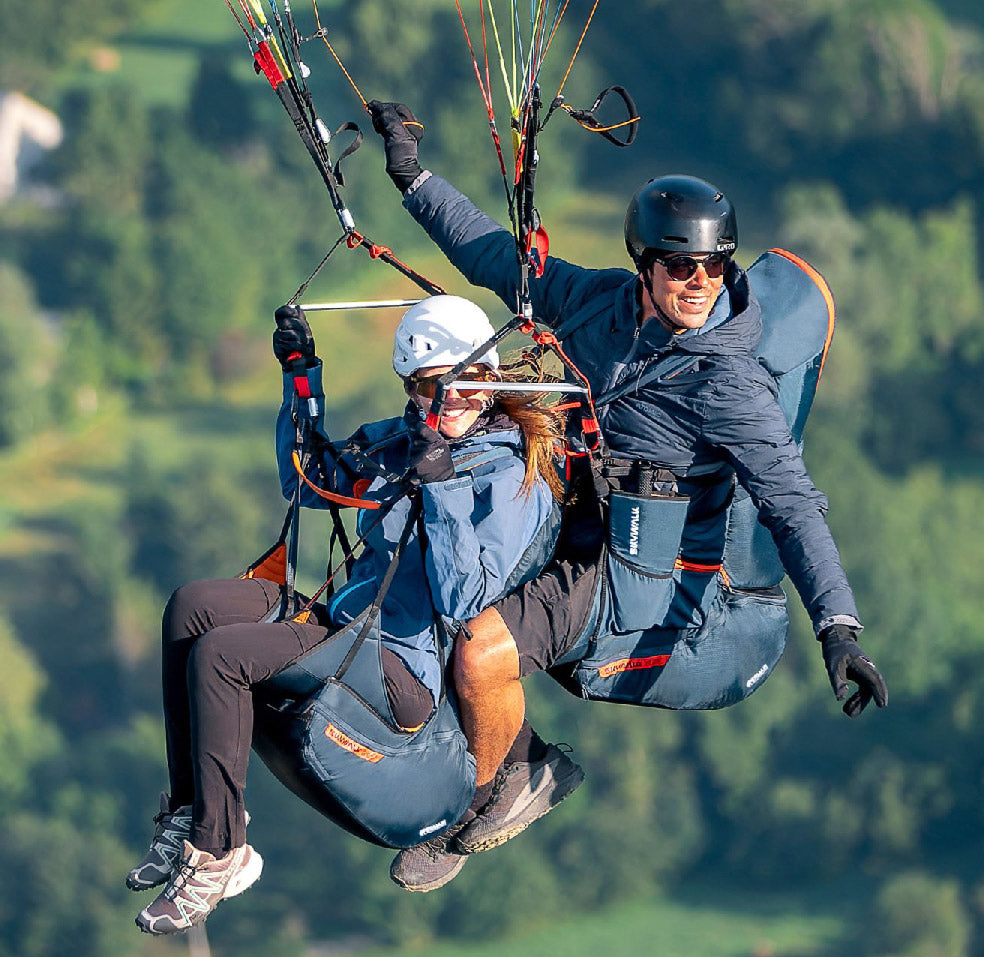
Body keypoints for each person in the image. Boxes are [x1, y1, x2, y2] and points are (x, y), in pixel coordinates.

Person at [368, 100, 889, 890]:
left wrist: (840, 628)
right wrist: (413, 176)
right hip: (563, 515)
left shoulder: (728, 381)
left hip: (638, 567)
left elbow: (791, 502)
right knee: (419, 569)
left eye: (715, 267)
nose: (700, 284)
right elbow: (493, 256)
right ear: (645, 266)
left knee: (480, 648)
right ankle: (492, 752)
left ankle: (502, 790)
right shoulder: (597, 303)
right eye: (682, 267)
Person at [126, 294, 572, 932]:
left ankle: (219, 852)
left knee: (223, 658)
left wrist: (440, 485)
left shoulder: (509, 478)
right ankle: (193, 810)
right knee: (193, 609)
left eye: (448, 388)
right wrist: (301, 378)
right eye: (421, 389)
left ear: (483, 383)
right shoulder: (408, 440)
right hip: (346, 625)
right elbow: (307, 481)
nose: (434, 404)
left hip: (404, 670)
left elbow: (463, 599)